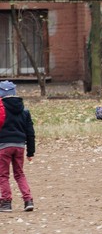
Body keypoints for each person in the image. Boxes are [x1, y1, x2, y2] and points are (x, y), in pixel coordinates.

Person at [0, 81, 35, 212]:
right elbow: (30, 133)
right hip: (20, 146)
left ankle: (6, 202)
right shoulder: (24, 111)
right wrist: (30, 152)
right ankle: (28, 200)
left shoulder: (0, 109)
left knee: (3, 175)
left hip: (3, 146)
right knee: (19, 174)